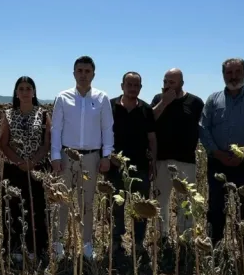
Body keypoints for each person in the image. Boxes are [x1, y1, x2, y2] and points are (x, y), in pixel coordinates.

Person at [50, 55, 114, 260]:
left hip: (91, 159)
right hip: (67, 157)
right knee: (62, 200)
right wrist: (55, 156)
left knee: (87, 202)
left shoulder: (102, 98)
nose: (83, 75)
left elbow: (107, 128)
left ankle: (86, 244)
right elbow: (56, 128)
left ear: (93, 74)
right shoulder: (63, 97)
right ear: (74, 73)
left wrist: (106, 156)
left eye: (87, 71)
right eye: (80, 71)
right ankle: (58, 244)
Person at [200, 58, 244, 247]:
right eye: (229, 73)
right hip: (217, 161)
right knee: (215, 205)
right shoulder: (213, 100)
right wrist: (217, 152)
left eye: (238, 72)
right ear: (223, 75)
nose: (234, 76)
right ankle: (214, 246)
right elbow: (204, 128)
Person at [0, 76, 51, 262]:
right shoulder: (8, 114)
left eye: (28, 88)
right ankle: (14, 248)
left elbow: (47, 143)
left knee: (37, 207)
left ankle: (35, 248)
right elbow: (3, 143)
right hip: (14, 169)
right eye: (21, 88)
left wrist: (33, 162)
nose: (25, 91)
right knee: (12, 207)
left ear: (34, 92)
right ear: (16, 93)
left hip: (37, 168)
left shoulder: (43, 114)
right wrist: (20, 162)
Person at [150, 68, 204, 240]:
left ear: (181, 83)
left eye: (171, 82)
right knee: (160, 201)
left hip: (186, 161)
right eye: (165, 82)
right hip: (161, 160)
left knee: (185, 202)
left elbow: (203, 129)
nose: (167, 86)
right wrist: (164, 103)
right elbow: (149, 122)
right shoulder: (158, 99)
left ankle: (186, 239)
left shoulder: (195, 102)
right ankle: (162, 237)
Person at [109, 71, 156, 252]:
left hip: (141, 166)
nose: (132, 88)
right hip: (115, 166)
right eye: (129, 84)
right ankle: (116, 240)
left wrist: (153, 162)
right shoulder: (110, 106)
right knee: (116, 205)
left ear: (141, 88)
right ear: (122, 86)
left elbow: (152, 138)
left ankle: (138, 242)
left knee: (141, 205)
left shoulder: (146, 109)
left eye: (136, 85)